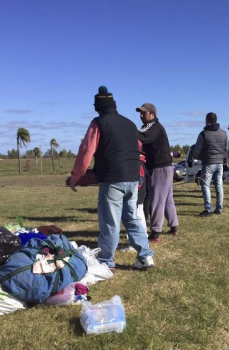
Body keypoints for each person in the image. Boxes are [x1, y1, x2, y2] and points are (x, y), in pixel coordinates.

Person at [69, 86, 154, 270]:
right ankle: (145, 256)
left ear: (97, 106)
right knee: (132, 218)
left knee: (110, 221)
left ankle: (107, 261)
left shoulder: (98, 123)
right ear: (114, 105)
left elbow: (86, 152)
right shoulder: (130, 124)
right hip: (133, 176)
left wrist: (75, 177)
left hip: (113, 178)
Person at [136, 103, 179, 243]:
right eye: (140, 113)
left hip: (159, 167)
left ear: (152, 114)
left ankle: (155, 232)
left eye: (144, 113)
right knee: (167, 199)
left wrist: (127, 131)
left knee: (157, 199)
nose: (141, 115)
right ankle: (174, 227)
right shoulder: (152, 127)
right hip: (165, 166)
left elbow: (142, 137)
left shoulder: (152, 126)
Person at [192, 112, 228, 216]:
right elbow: (226, 149)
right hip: (219, 162)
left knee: (206, 186)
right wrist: (224, 159)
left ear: (207, 120)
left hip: (208, 162)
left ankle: (208, 209)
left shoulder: (204, 133)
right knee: (219, 185)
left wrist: (197, 157)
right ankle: (219, 208)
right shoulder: (223, 133)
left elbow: (197, 149)